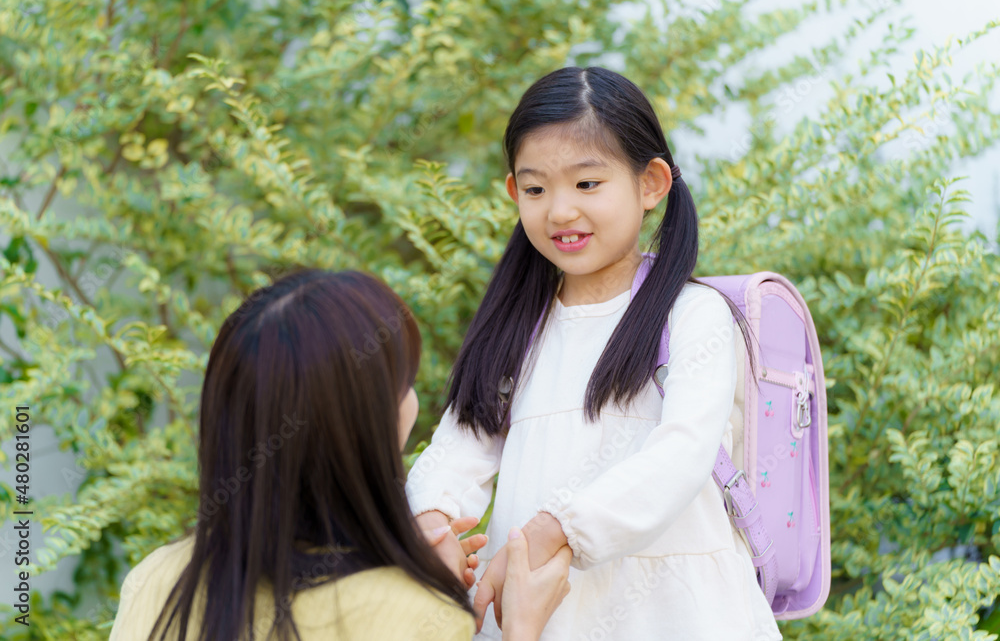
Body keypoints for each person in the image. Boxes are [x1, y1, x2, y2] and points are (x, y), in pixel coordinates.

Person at [406, 66, 783, 640]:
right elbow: (460, 445)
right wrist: (432, 520)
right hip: (543, 615)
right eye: (535, 189)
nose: (559, 211)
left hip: (677, 617)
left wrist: (557, 529)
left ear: (652, 183)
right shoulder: (514, 328)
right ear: (514, 192)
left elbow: (680, 455)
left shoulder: (691, 315)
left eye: (587, 184)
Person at [108, 269, 572, 641]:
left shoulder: (157, 581)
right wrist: (522, 627)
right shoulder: (414, 619)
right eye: (405, 382)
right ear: (370, 422)